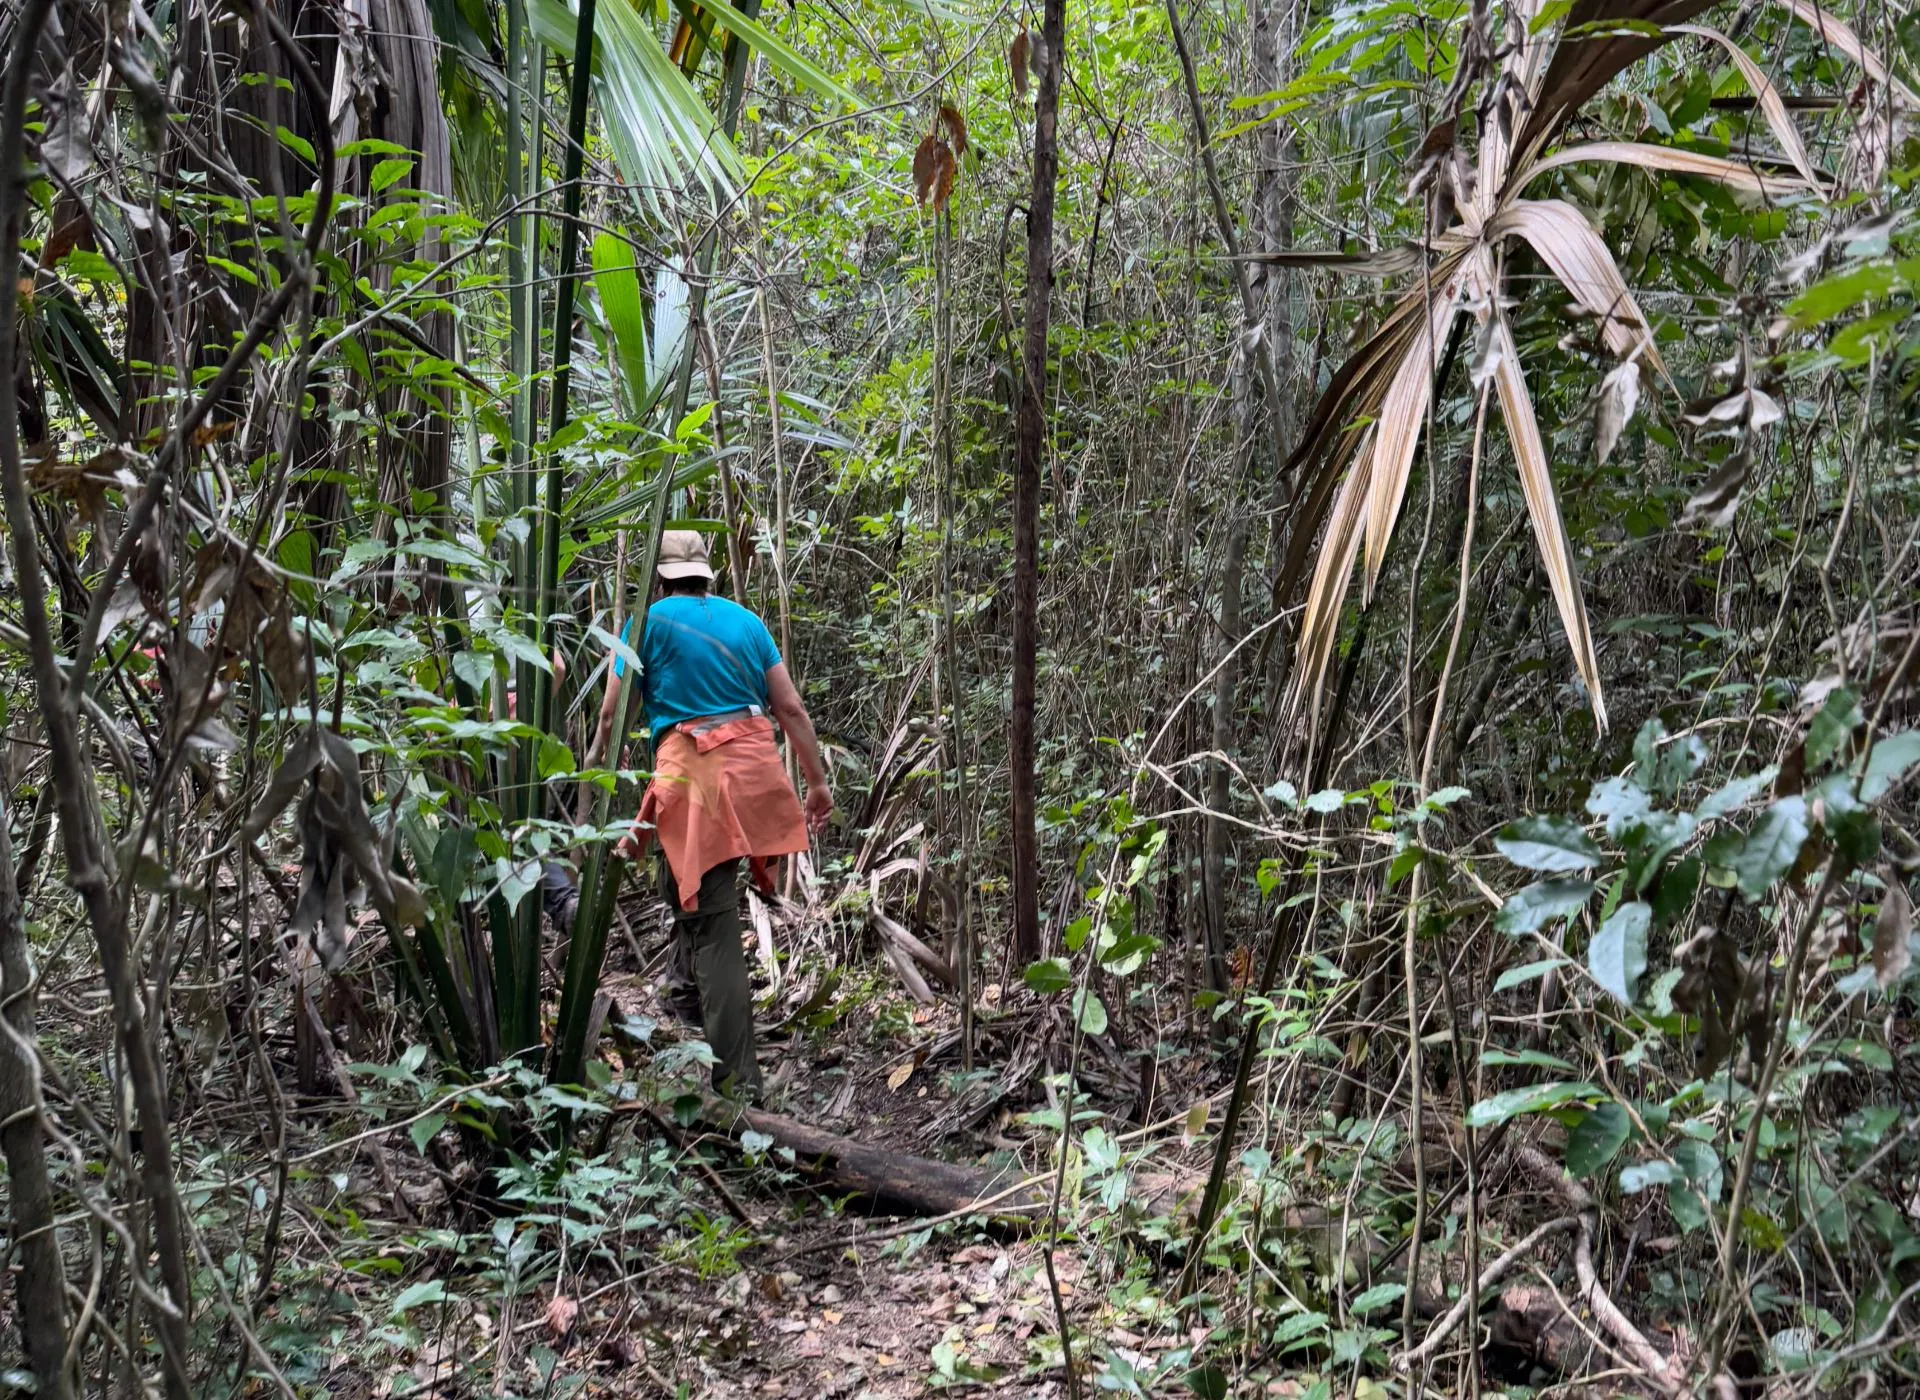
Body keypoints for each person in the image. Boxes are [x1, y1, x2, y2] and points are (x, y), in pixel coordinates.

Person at [613, 530, 832, 1101]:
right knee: (690, 889)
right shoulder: (747, 621)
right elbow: (788, 706)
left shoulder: (646, 622)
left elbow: (613, 713)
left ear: (660, 577)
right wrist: (815, 781)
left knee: (714, 923)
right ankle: (684, 993)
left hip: (695, 781)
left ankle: (739, 1087)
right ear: (708, 574)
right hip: (755, 772)